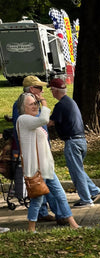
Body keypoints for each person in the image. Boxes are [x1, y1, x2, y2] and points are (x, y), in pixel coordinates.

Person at [16, 93, 79, 232]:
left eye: (35, 103)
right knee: (37, 200)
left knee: (61, 194)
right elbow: (44, 119)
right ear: (23, 107)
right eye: (31, 104)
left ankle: (73, 223)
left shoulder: (33, 121)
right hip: (36, 169)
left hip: (47, 168)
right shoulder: (23, 120)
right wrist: (44, 102)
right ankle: (31, 228)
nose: (35, 106)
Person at [48, 77, 100, 207]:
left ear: (55, 91)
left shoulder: (60, 105)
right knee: (79, 169)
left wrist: (34, 120)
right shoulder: (71, 102)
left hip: (72, 142)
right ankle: (94, 190)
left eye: (51, 90)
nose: (51, 93)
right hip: (81, 141)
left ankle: (86, 200)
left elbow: (50, 123)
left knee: (76, 172)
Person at [12, 76, 56, 222]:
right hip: (34, 155)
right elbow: (30, 127)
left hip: (41, 151)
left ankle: (53, 213)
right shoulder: (22, 105)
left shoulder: (31, 104)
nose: (42, 90)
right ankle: (48, 214)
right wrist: (43, 103)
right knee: (41, 187)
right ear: (32, 89)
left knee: (46, 187)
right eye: (39, 88)